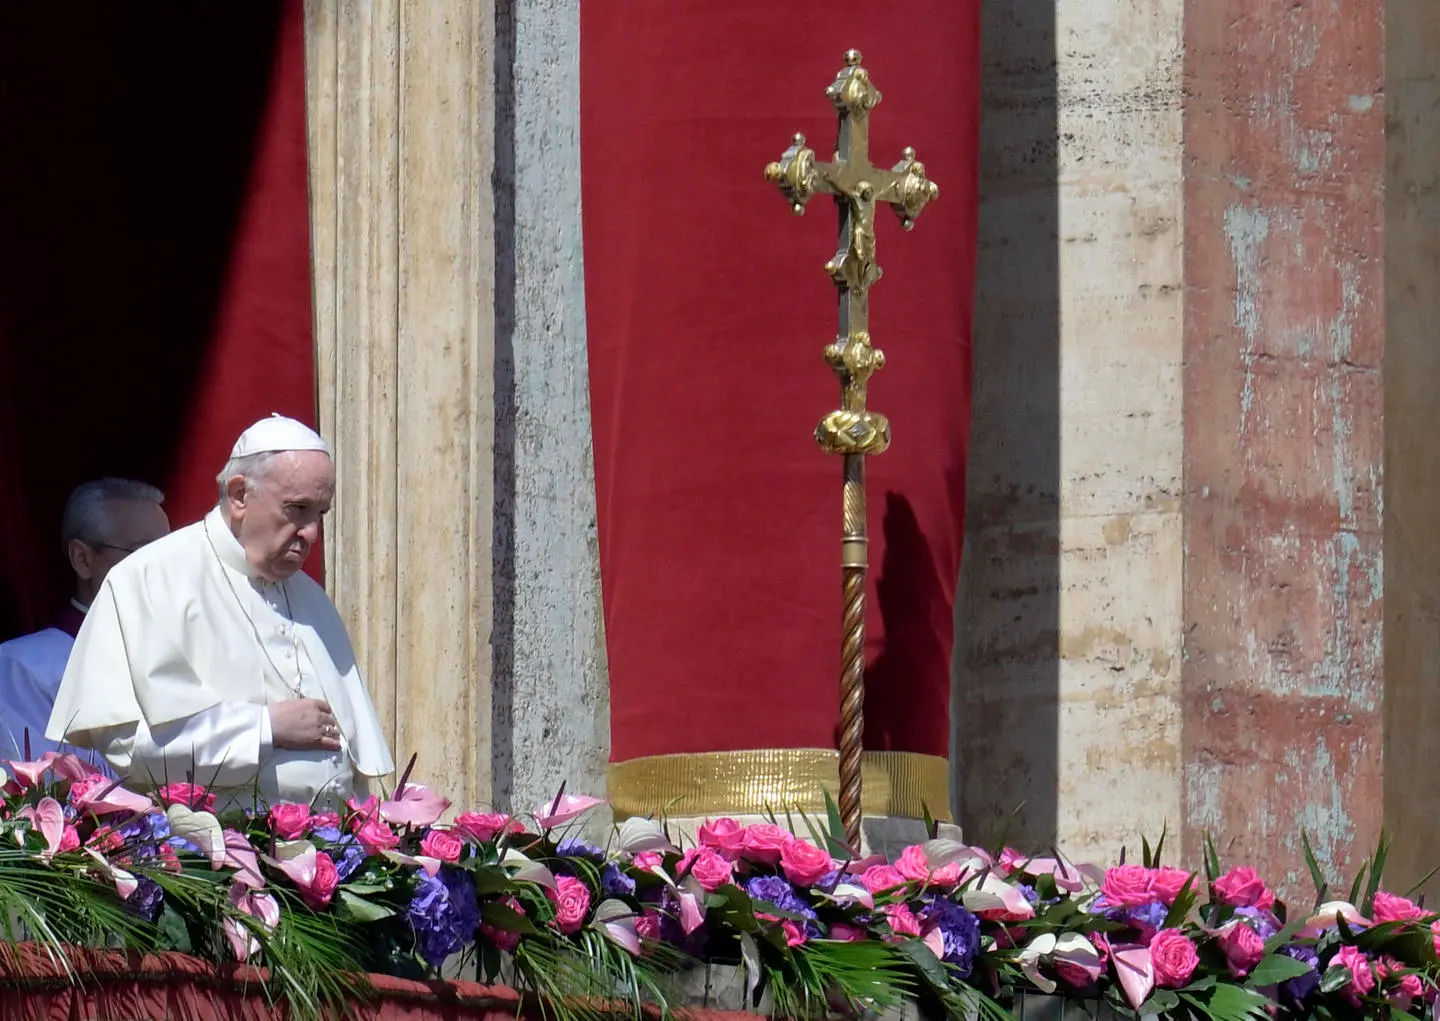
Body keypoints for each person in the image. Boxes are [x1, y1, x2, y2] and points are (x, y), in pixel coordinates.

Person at [47, 414, 393, 808]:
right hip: (208, 857)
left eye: (319, 513)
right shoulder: (151, 578)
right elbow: (128, 746)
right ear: (240, 494)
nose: (311, 532)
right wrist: (265, 728)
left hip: (331, 851)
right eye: (297, 508)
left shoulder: (312, 599)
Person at [0, 478, 169, 761]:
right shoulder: (24, 668)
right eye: (144, 552)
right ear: (83, 559)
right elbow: (37, 796)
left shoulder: (183, 659)